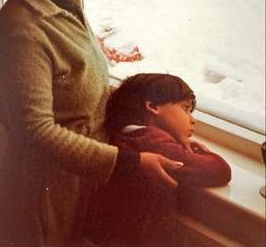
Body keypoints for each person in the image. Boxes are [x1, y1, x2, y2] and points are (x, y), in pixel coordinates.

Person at [0, 0, 183, 247]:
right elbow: (35, 132)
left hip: (75, 190)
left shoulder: (66, 3)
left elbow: (85, 95)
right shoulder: (21, 30)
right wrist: (127, 163)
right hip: (40, 206)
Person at [84, 73, 232, 247]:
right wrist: (199, 150)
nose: (193, 120)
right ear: (153, 106)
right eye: (185, 108)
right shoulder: (152, 142)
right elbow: (220, 170)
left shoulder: (123, 135)